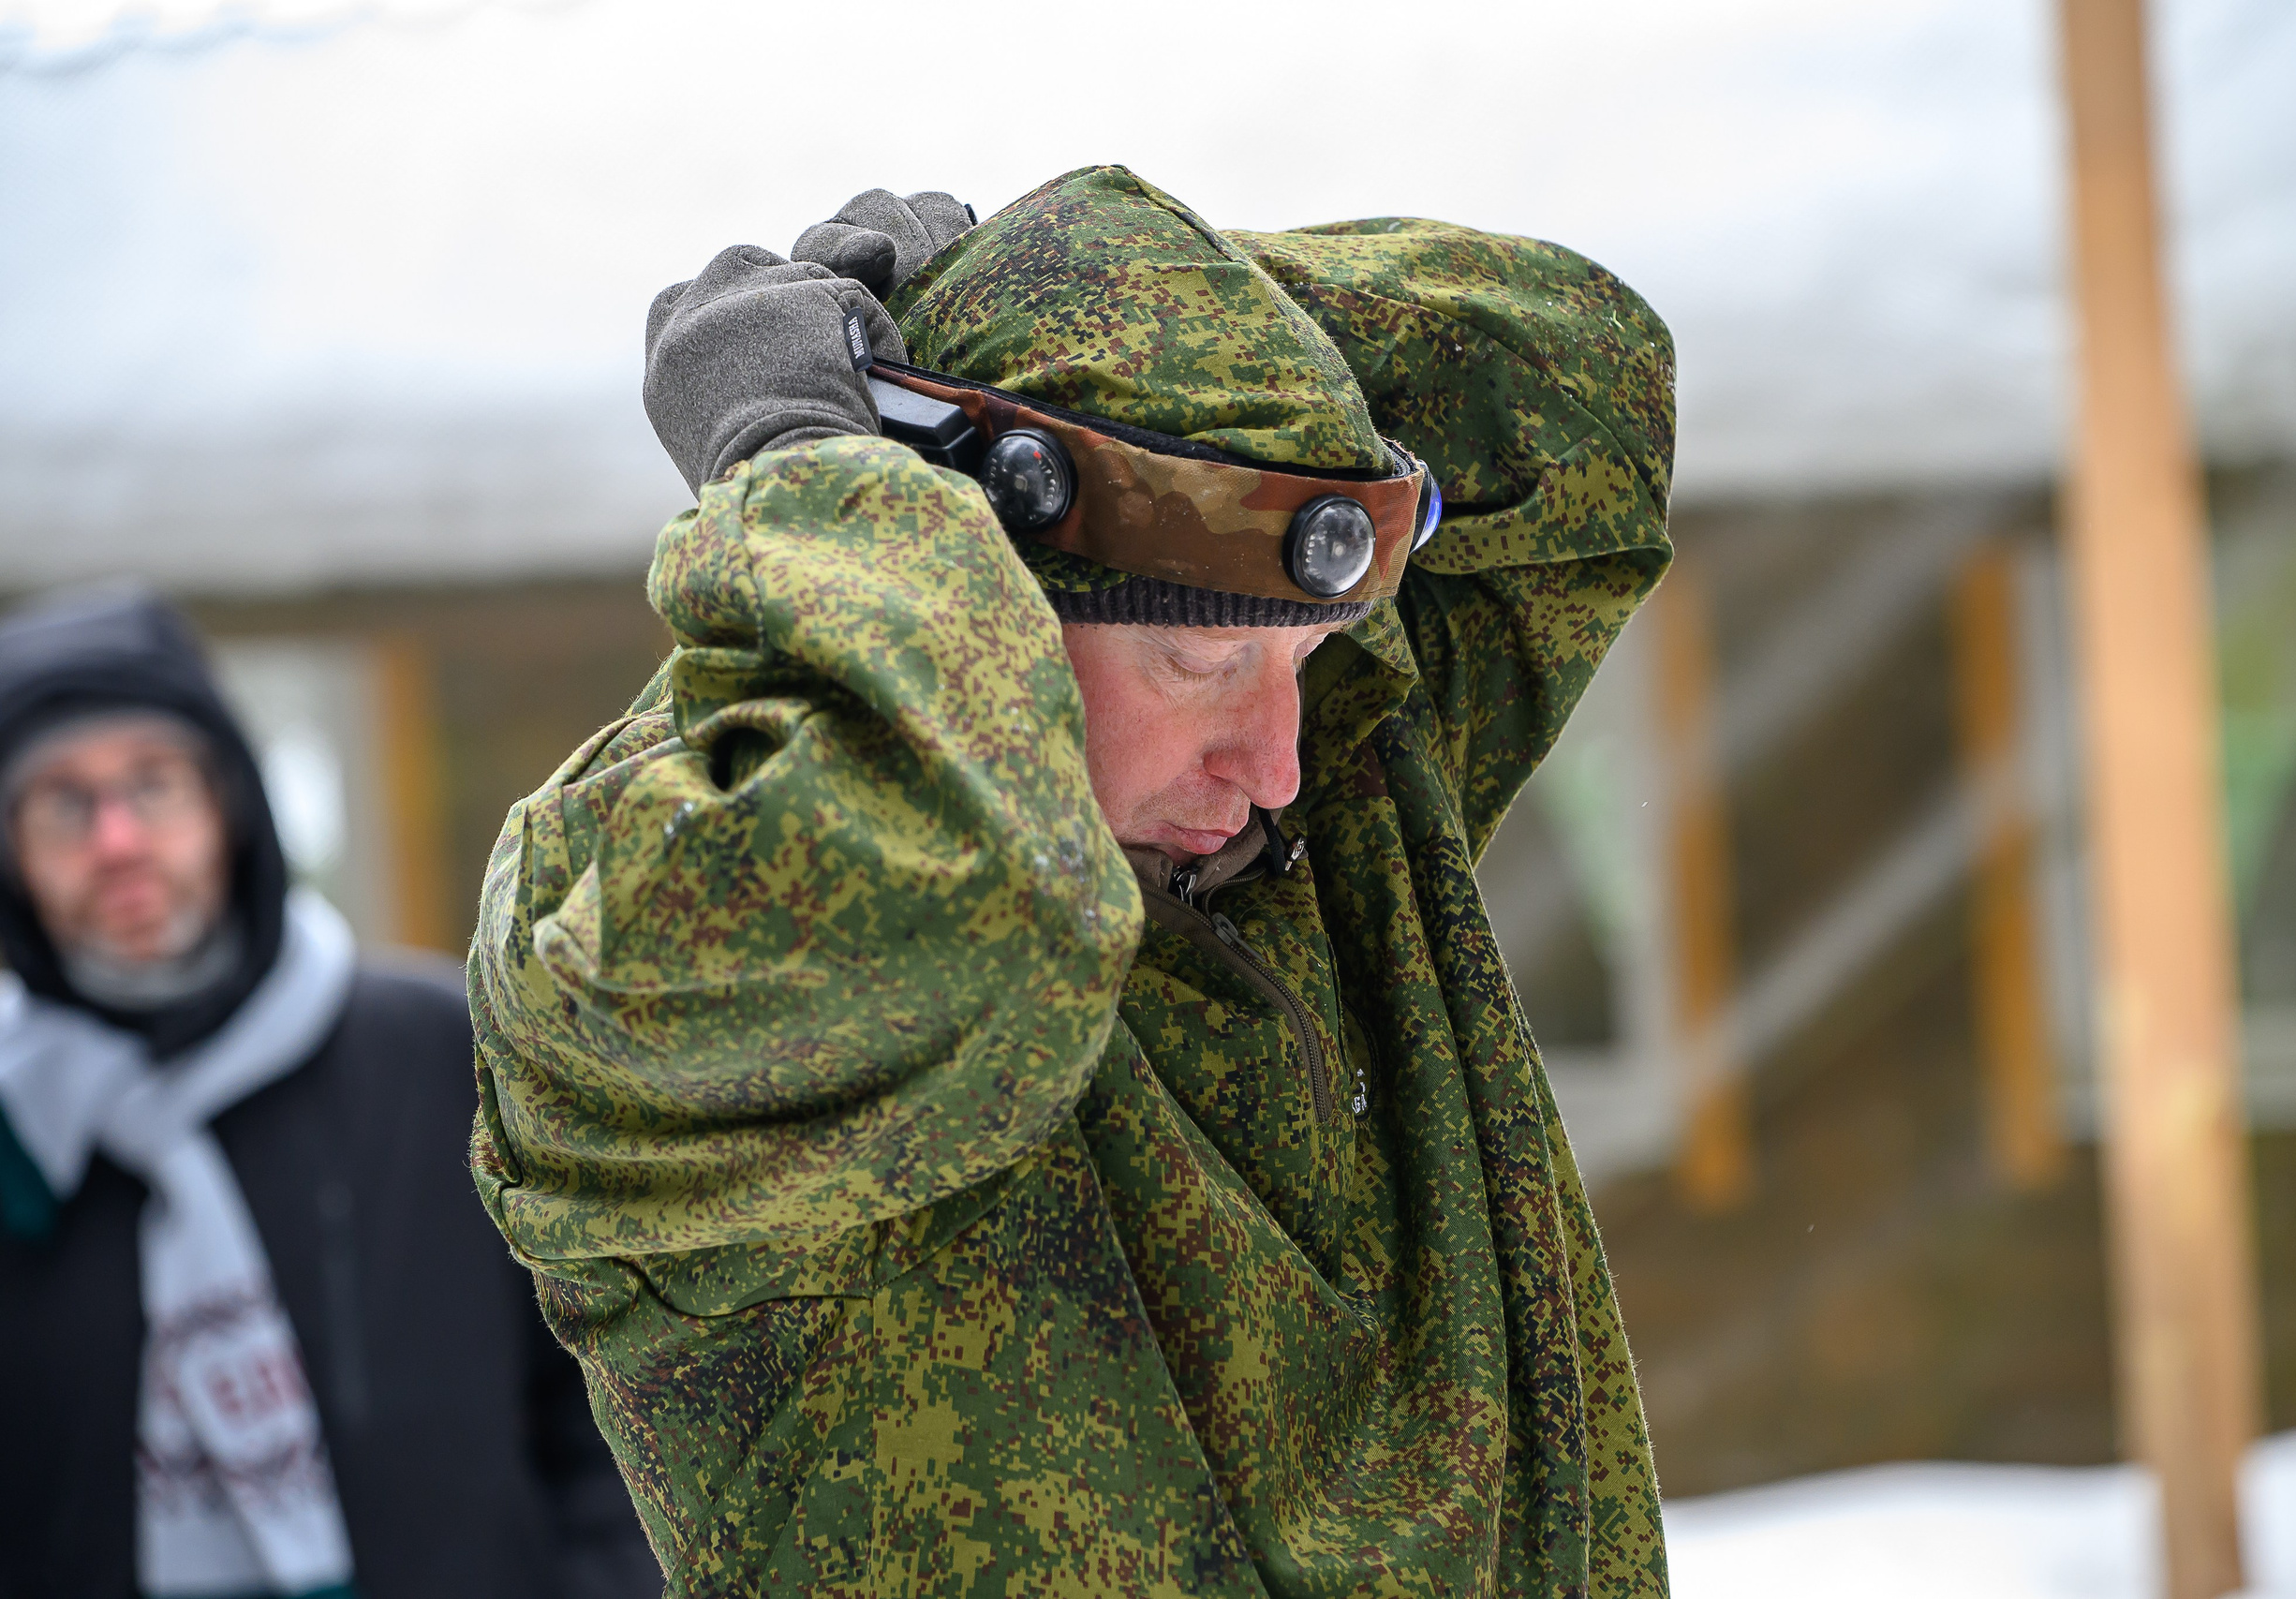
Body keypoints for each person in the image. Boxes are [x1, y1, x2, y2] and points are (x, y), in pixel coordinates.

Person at [469, 167, 1676, 1595]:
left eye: (1298, 659)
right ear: (985, 577)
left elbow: (1588, 389)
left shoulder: (1333, 815)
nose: (1278, 758)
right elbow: (972, 911)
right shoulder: (619, 904)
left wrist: (1085, 314)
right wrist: (809, 458)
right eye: (1207, 661)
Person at [0, 589, 659, 1599]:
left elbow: (608, 1389)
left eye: (155, 784)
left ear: (231, 804)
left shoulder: (436, 1048)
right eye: (62, 803)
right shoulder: (15, 1127)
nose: (119, 840)